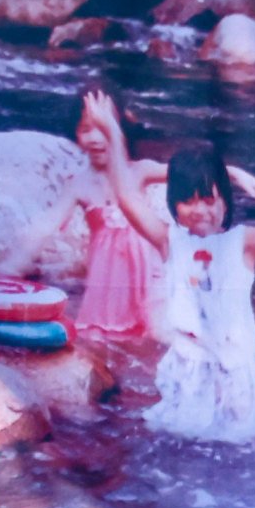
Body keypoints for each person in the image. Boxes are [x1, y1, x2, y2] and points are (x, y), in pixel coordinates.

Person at [87, 112, 255, 441]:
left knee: (238, 441)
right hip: (189, 362)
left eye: (209, 200)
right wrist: (112, 132)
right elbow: (127, 195)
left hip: (233, 366)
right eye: (188, 202)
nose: (199, 211)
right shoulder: (169, 241)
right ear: (173, 205)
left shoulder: (244, 244)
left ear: (225, 201)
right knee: (182, 438)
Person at [67, 89, 164, 403]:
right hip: (107, 286)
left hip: (145, 277)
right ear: (74, 133)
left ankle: (151, 399)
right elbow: (43, 228)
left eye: (104, 127)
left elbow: (187, 174)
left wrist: (229, 173)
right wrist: (12, 265)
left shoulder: (140, 171)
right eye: (86, 129)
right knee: (104, 349)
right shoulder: (80, 183)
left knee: (150, 347)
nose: (96, 138)